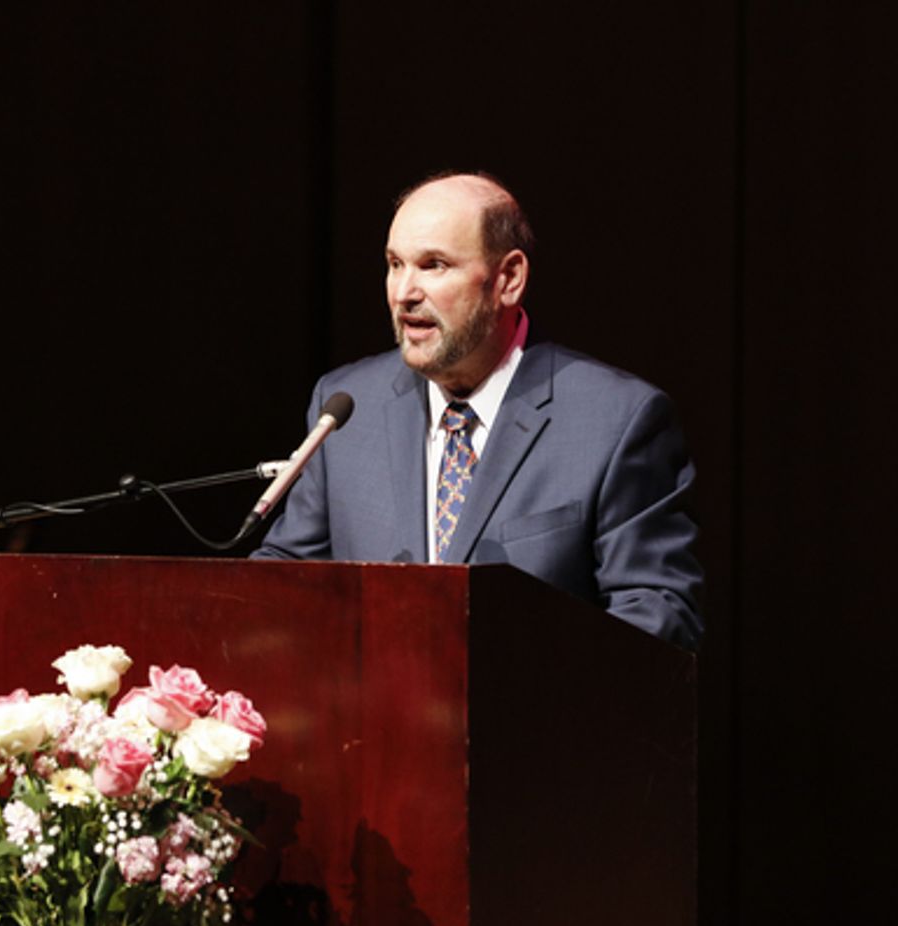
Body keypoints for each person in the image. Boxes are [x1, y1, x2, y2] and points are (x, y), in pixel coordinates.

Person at [252, 172, 704, 650]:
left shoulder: (616, 420)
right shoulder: (346, 405)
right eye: (394, 263)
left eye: (434, 265)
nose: (403, 292)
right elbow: (285, 583)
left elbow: (657, 620)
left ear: (508, 279)